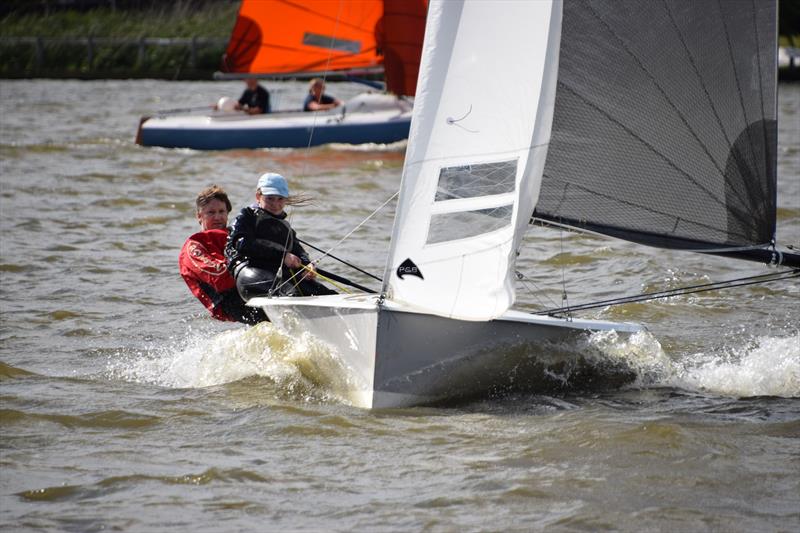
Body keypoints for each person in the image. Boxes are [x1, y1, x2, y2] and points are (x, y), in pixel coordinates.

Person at [226, 173, 336, 300]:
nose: (275, 204)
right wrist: (282, 256)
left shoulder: (286, 228)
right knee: (290, 295)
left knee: (328, 296)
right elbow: (242, 244)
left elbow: (298, 251)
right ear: (258, 196)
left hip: (277, 274)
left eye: (280, 199)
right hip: (249, 272)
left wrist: (307, 265)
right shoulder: (247, 216)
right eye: (270, 198)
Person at [179, 185, 267, 324]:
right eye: (211, 212)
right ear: (199, 216)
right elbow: (219, 277)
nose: (218, 217)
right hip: (231, 299)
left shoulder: (236, 235)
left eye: (222, 211)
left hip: (256, 285)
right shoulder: (194, 246)